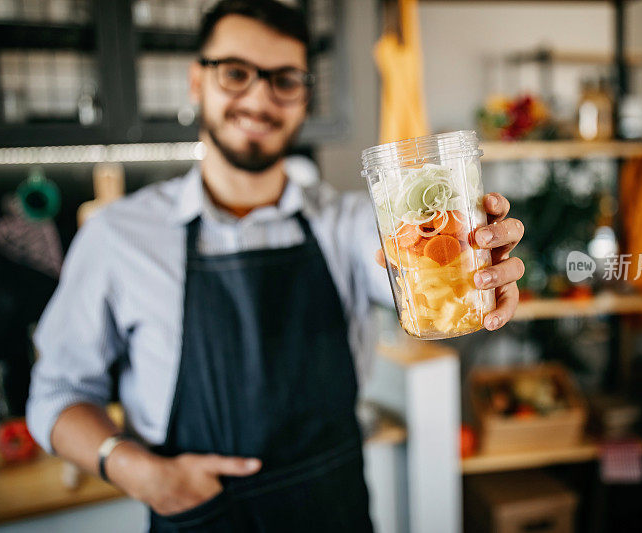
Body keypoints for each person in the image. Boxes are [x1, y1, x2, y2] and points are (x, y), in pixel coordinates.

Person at [26, 1, 525, 531]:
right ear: (197, 82)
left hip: (336, 513)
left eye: (284, 79)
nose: (260, 97)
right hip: (202, 516)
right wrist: (135, 471)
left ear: (304, 96)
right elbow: (57, 395)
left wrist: (474, 269)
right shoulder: (117, 237)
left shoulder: (351, 222)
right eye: (236, 73)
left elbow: (402, 274)